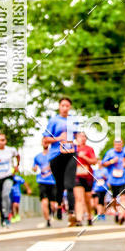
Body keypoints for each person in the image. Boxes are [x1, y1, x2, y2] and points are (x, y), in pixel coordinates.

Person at [42, 97, 78, 226]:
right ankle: (58, 206)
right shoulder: (53, 120)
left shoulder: (74, 120)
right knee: (59, 185)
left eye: (67, 106)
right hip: (56, 155)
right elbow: (46, 139)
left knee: (70, 184)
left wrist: (77, 140)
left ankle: (72, 213)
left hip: (70, 153)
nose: (65, 108)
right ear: (59, 106)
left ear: (70, 107)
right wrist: (58, 138)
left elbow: (78, 135)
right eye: (63, 105)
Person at [102, 138, 125, 224]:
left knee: (123, 197)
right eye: (116, 144)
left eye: (119, 144)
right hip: (113, 180)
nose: (118, 146)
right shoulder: (110, 153)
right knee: (114, 199)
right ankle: (117, 212)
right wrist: (112, 161)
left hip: (123, 179)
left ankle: (121, 215)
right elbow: (103, 163)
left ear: (122, 144)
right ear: (114, 145)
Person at [74, 131, 97, 226]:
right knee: (79, 198)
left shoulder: (89, 149)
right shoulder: (73, 149)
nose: (82, 138)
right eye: (80, 136)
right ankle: (79, 219)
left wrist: (84, 157)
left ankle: (89, 216)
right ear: (76, 138)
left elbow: (94, 161)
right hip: (76, 176)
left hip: (87, 176)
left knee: (87, 199)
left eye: (84, 136)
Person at [33, 139, 57, 227]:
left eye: (47, 141)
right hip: (42, 181)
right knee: (44, 202)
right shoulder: (37, 157)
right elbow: (34, 167)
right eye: (44, 141)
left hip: (53, 181)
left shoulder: (53, 154)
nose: (45, 143)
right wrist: (34, 168)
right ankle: (47, 220)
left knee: (53, 204)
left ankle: (52, 214)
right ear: (41, 143)